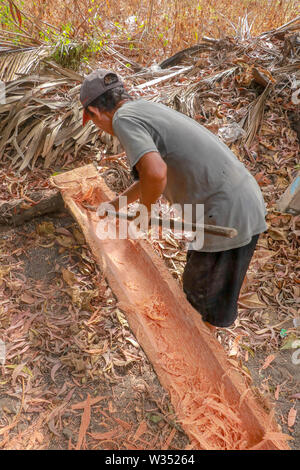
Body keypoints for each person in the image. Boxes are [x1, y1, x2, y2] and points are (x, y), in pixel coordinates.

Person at [80, 68, 268, 329]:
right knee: (210, 296)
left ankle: (201, 362)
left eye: (93, 122)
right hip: (244, 200)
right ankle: (207, 348)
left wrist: (144, 212)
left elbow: (156, 173)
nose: (101, 128)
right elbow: (149, 176)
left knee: (198, 301)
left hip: (224, 211)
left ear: (94, 113)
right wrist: (117, 204)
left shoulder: (123, 119)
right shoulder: (142, 108)